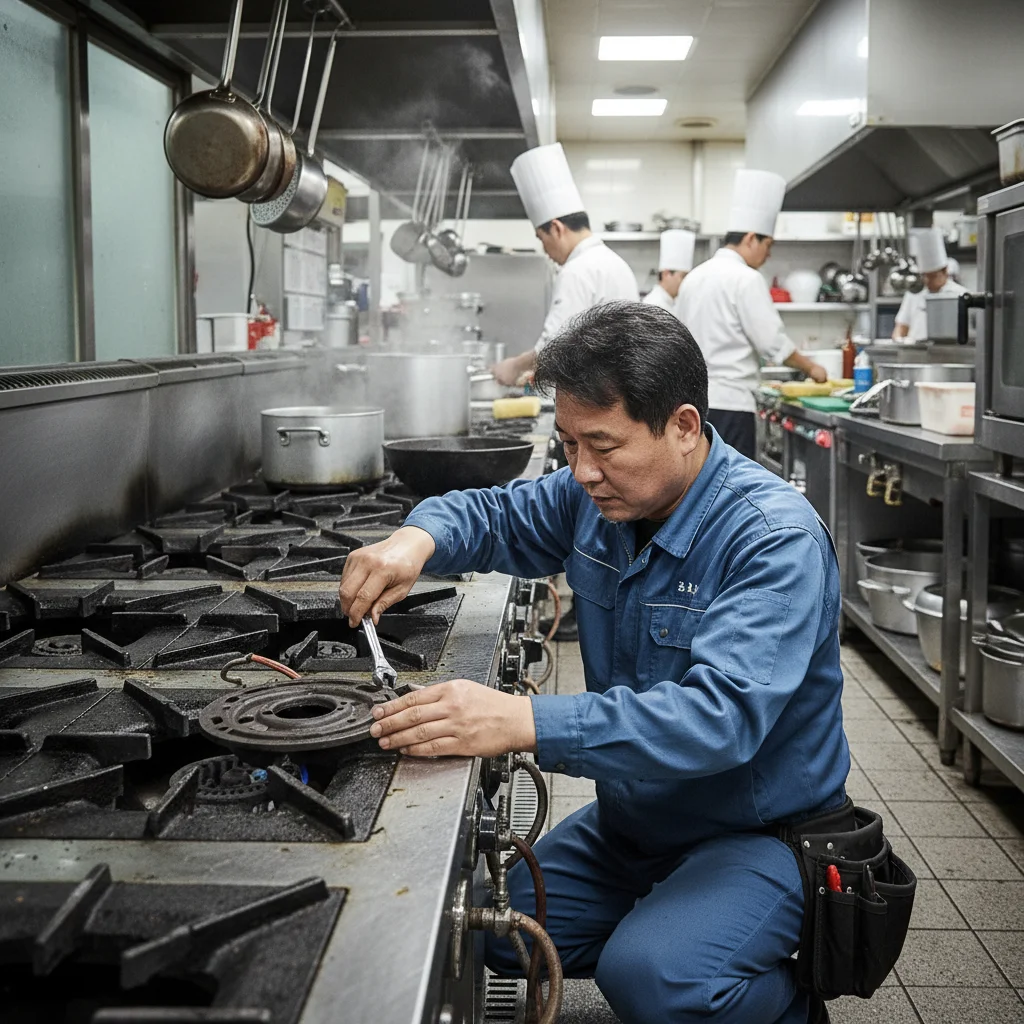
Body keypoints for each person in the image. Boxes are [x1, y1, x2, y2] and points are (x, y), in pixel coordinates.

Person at [339, 301, 848, 1024]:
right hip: (636, 822)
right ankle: (682, 927)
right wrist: (413, 541)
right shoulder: (598, 499)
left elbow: (720, 720)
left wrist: (520, 721)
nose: (581, 471)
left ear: (683, 426)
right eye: (569, 444)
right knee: (488, 928)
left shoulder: (770, 538)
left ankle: (783, 1004)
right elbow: (496, 515)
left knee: (650, 977)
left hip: (755, 832)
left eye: (603, 446)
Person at [677, 169, 828, 460]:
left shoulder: (694, 277)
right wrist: (813, 369)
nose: (768, 255)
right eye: (767, 245)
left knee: (700, 479)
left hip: (694, 404)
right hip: (733, 404)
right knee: (730, 482)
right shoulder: (746, 279)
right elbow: (772, 342)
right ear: (750, 238)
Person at [492, 143, 638, 386]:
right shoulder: (615, 263)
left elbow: (553, 346)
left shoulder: (577, 270)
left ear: (557, 228)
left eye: (542, 239)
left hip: (596, 395)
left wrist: (514, 366)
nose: (545, 250)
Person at [892, 226, 967, 343]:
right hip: (914, 352)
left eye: (932, 276)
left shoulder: (962, 295)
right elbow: (900, 327)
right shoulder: (914, 293)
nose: (927, 281)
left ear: (945, 271)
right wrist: (899, 341)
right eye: (924, 275)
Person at [641, 228, 695, 312]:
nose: (685, 282)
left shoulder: (672, 303)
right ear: (666, 274)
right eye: (683, 276)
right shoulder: (654, 304)